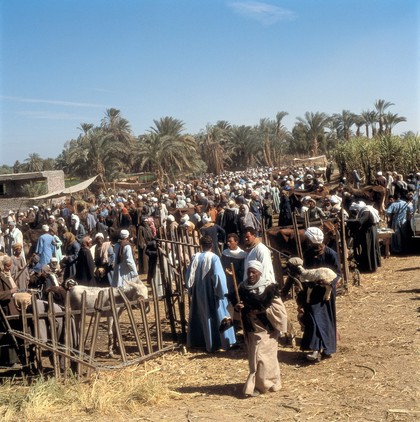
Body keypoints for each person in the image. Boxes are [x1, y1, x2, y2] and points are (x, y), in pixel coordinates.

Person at [235, 260, 287, 397]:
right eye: (249, 272)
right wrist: (239, 308)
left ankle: (262, 385)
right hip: (252, 328)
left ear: (260, 273)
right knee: (254, 357)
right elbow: (237, 305)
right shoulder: (242, 287)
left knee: (263, 357)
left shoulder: (269, 288)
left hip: (267, 328)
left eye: (254, 272)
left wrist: (260, 311)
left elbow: (278, 310)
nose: (251, 275)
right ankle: (267, 383)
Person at [185, 235, 236, 353]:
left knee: (200, 315)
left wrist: (191, 289)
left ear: (200, 245)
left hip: (198, 293)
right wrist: (222, 292)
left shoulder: (195, 258)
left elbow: (189, 276)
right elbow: (218, 276)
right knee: (219, 315)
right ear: (212, 246)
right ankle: (218, 342)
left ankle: (199, 341)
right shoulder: (214, 258)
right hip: (212, 293)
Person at [300, 227, 341, 361]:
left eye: (308, 239)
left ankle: (327, 348)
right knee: (312, 318)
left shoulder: (331, 254)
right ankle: (315, 348)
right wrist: (308, 283)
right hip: (312, 292)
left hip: (326, 293)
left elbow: (338, 275)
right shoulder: (307, 254)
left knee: (326, 319)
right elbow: (306, 273)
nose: (307, 242)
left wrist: (328, 283)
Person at [350, 201, 381, 273]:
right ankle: (372, 266)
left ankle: (368, 267)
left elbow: (360, 222)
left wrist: (349, 222)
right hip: (371, 230)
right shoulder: (367, 210)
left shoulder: (366, 212)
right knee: (371, 247)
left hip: (368, 231)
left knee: (368, 248)